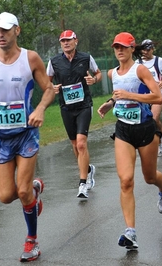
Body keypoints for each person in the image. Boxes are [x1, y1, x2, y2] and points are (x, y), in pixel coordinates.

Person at [0, 12, 55, 262]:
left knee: (21, 193)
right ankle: (33, 190)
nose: (0, 35)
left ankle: (32, 241)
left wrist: (40, 108)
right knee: (6, 196)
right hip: (0, 137)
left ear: (16, 31)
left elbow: (49, 89)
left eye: (5, 30)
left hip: (26, 134)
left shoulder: (30, 58)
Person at [97, 32, 162, 249]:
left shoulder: (140, 70)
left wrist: (131, 97)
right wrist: (111, 102)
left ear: (131, 49)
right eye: (115, 47)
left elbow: (157, 96)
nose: (119, 50)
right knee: (126, 180)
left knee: (149, 177)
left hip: (145, 129)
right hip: (123, 131)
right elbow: (120, 93)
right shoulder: (113, 73)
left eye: (123, 47)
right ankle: (131, 232)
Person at [46, 30, 101, 198]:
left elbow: (98, 73)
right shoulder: (54, 61)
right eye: (63, 41)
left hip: (84, 105)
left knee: (81, 143)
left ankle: (82, 184)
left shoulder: (86, 58)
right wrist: (52, 88)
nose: (66, 43)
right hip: (66, 108)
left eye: (69, 40)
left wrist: (94, 79)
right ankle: (88, 169)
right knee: (75, 145)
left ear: (76, 41)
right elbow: (46, 81)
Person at [137, 39, 162, 156]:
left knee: (154, 119)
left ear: (152, 49)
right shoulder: (137, 63)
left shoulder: (159, 61)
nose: (145, 52)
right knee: (149, 120)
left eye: (148, 50)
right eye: (143, 50)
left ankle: (155, 145)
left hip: (158, 94)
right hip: (144, 96)